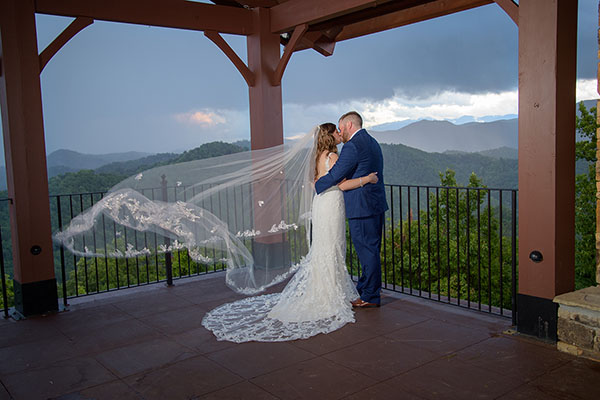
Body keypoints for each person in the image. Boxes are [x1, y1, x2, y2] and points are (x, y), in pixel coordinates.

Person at [201, 123, 379, 342]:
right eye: (336, 131)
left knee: (323, 246)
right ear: (331, 135)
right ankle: (331, 292)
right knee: (332, 246)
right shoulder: (332, 156)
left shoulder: (316, 157)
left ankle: (323, 287)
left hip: (320, 204)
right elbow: (341, 185)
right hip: (332, 204)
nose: (339, 134)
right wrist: (367, 179)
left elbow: (315, 184)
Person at [315, 111, 388, 308]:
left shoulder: (353, 146)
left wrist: (318, 186)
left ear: (349, 125)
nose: (339, 132)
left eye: (340, 128)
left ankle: (370, 296)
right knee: (372, 249)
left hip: (361, 206)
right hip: (375, 203)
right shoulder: (372, 141)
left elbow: (337, 174)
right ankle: (367, 288)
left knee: (367, 250)